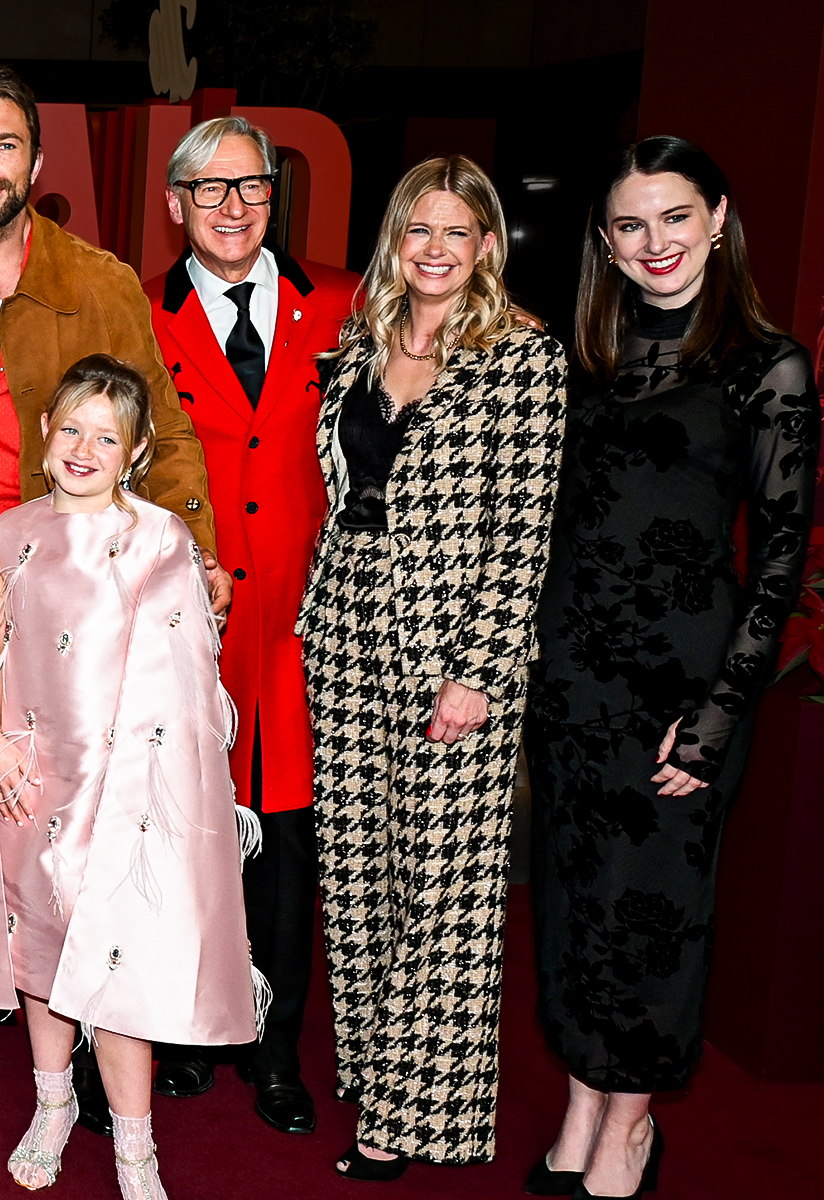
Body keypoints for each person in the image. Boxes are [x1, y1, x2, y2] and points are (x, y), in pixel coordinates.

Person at [0, 62, 225, 1121]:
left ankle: (91, 1023)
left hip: (55, 566)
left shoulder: (97, 281)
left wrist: (195, 556)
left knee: (72, 806)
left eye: (5, 145)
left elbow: (169, 436)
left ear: (36, 160)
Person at [0, 354, 256, 1200]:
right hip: (29, 779)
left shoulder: (160, 538)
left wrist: (125, 788)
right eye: (72, 429)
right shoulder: (8, 533)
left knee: (116, 964)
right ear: (45, 432)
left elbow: (177, 682)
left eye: (107, 437)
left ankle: (134, 1146)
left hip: (123, 794)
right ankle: (51, 1106)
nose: (85, 448)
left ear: (137, 450)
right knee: (37, 950)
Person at [525, 137, 818, 1200]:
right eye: (633, 224)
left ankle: (631, 1127)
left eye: (676, 217)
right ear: (606, 238)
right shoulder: (581, 358)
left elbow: (782, 555)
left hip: (685, 688)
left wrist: (720, 715)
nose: (656, 243)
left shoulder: (765, 363)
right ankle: (581, 1103)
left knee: (650, 917)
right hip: (571, 685)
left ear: (718, 218)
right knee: (571, 906)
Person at [301, 155, 565, 1180]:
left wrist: (480, 669)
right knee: (358, 868)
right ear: (395, 243)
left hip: (452, 642)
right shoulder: (360, 340)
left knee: (447, 885)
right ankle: (378, 1071)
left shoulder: (522, 358)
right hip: (347, 622)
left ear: (489, 244)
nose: (438, 251)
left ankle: (418, 1119)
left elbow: (523, 533)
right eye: (420, 232)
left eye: (459, 233)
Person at [141, 115, 359, 1136]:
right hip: (186, 620)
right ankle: (185, 1034)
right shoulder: (140, 314)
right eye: (210, 188)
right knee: (186, 833)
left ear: (275, 197)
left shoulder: (349, 305)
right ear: (175, 204)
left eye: (253, 187)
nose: (234, 208)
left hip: (304, 621)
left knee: (286, 840)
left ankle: (275, 1051)